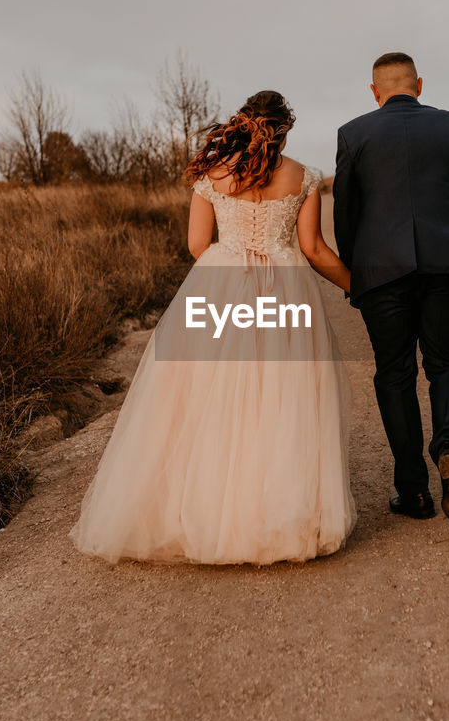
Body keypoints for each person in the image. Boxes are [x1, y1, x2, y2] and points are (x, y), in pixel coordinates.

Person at [69, 91, 356, 565]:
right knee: (282, 398)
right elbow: (314, 250)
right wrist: (356, 287)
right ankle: (279, 513)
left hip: (222, 288)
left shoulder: (211, 174)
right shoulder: (304, 178)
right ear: (284, 129)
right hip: (285, 293)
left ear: (242, 123)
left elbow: (198, 244)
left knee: (207, 397)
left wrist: (233, 269)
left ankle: (207, 513)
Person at [333, 53, 449, 521]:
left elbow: (345, 215)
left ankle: (413, 490)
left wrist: (356, 273)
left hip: (382, 272)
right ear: (419, 85)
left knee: (395, 374)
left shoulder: (354, 135)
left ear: (375, 91)